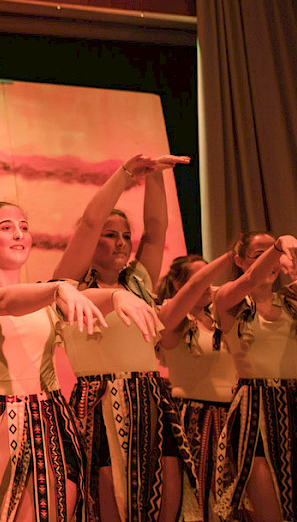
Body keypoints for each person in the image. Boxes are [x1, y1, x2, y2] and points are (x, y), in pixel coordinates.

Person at [0, 201, 162, 522]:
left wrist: (117, 295)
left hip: (47, 422)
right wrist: (59, 289)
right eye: (7, 228)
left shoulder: (46, 296)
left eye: (24, 228)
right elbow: (5, 301)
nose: (19, 234)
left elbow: (80, 298)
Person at [51, 154, 192, 522]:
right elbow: (89, 222)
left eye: (126, 236)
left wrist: (157, 174)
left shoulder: (138, 282)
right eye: (110, 235)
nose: (122, 243)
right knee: (107, 506)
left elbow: (157, 229)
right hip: (98, 403)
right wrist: (126, 173)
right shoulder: (69, 287)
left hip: (151, 399)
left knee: (164, 503)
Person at [211, 231, 297, 522]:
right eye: (259, 255)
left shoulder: (293, 300)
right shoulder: (228, 300)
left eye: (274, 255)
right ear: (239, 261)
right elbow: (252, 279)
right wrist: (278, 246)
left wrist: (295, 265)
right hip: (256, 409)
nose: (270, 262)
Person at [154, 251, 238, 522]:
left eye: (210, 277)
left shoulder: (222, 316)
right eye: (201, 278)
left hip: (231, 417)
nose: (208, 284)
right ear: (178, 284)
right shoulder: (171, 319)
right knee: (195, 499)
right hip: (191, 418)